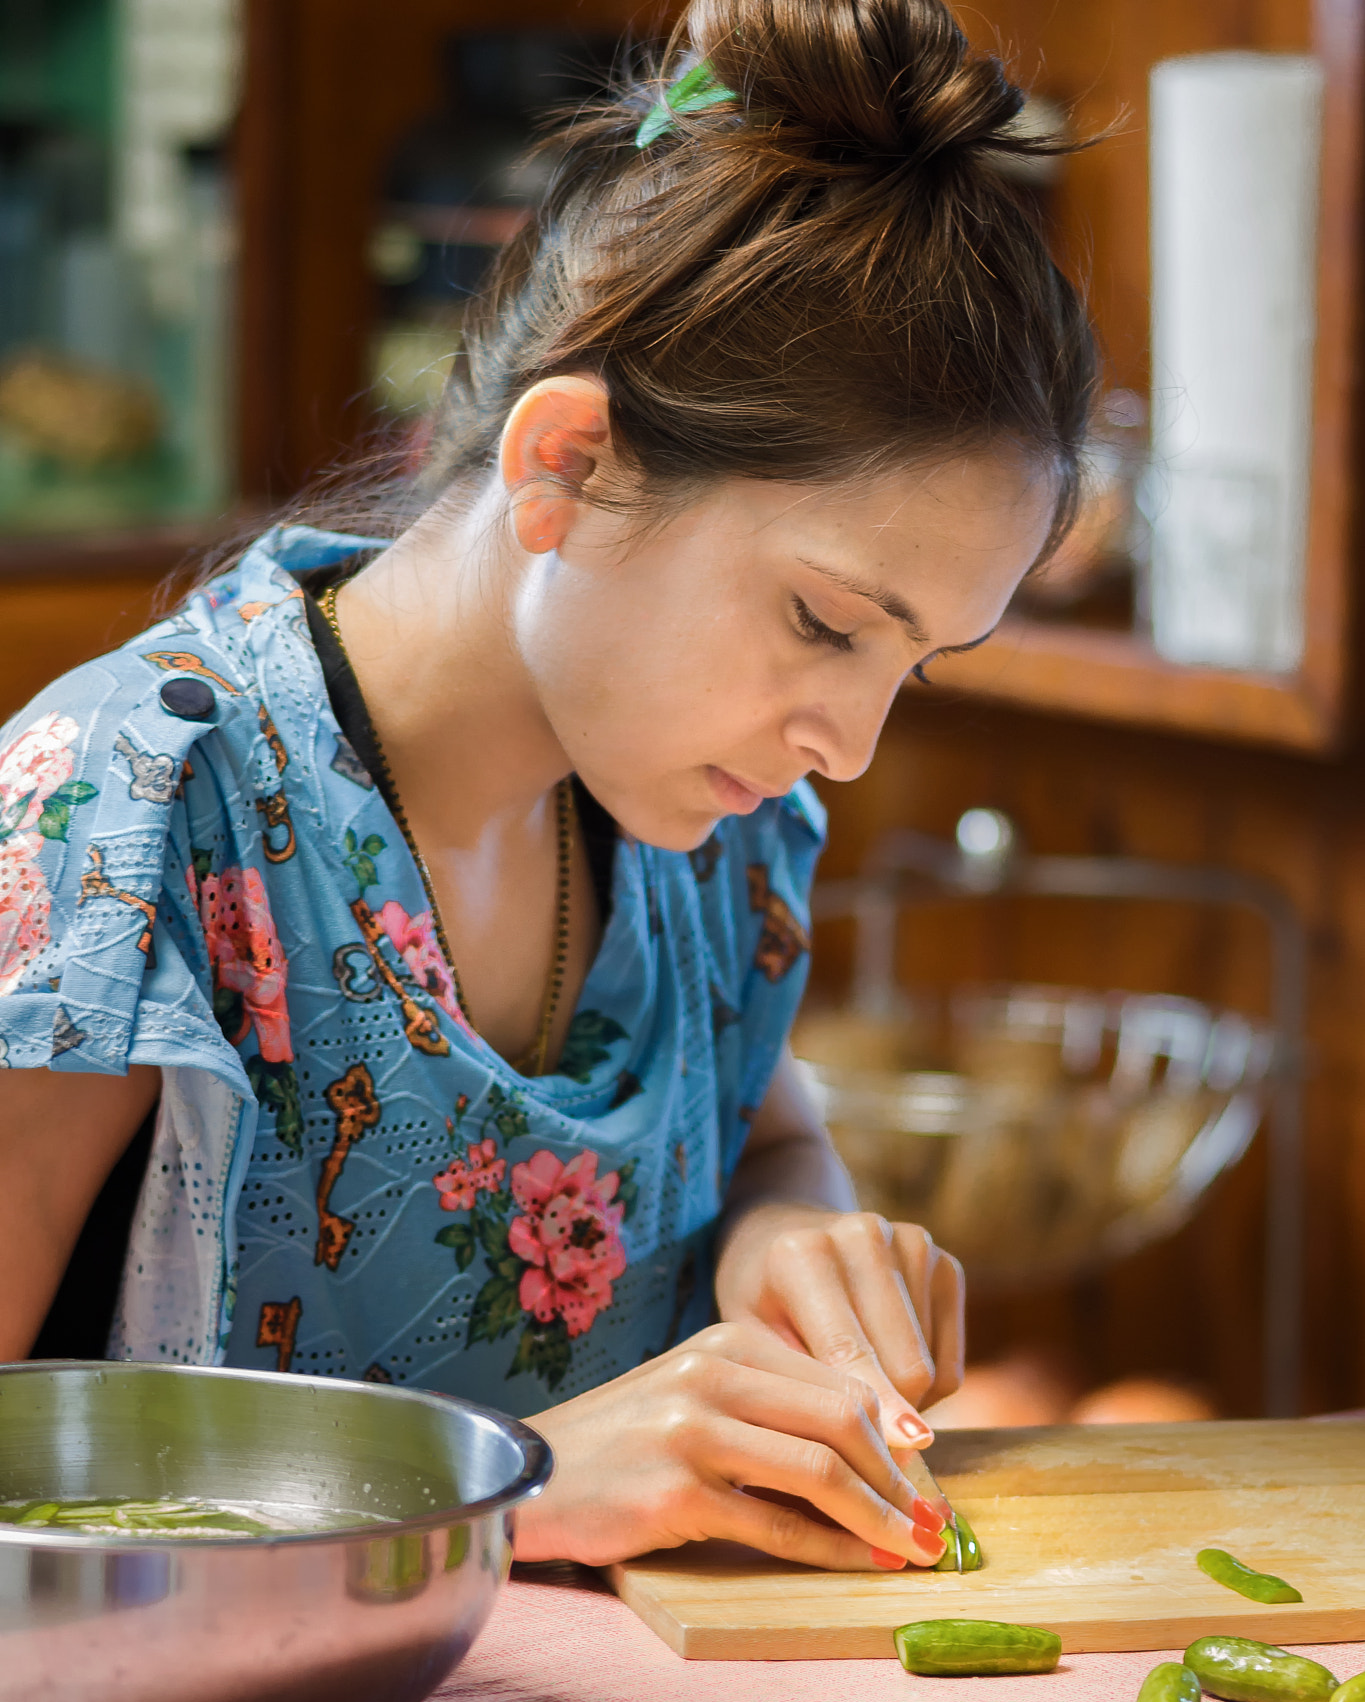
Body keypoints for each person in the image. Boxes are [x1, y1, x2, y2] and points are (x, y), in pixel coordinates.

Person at [0, 0, 1094, 1572]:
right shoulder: (125, 812)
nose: (846, 745)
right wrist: (502, 1486)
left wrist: (792, 1240)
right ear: (565, 464)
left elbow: (757, 1137)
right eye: (824, 623)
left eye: (909, 666)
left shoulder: (718, 818)